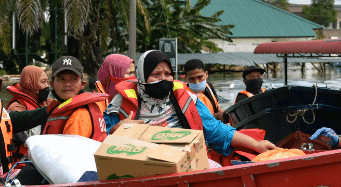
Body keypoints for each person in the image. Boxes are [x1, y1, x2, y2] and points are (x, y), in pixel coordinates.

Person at [104, 50, 276, 157]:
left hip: (188, 163)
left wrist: (255, 144)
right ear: (141, 76)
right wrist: (116, 131)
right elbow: (99, 144)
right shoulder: (120, 104)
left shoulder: (184, 97)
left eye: (167, 73)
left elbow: (215, 130)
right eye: (156, 74)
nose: (163, 79)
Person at [42, 56, 108, 141]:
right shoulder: (54, 107)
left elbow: (69, 152)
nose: (67, 84)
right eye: (61, 79)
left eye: (74, 79)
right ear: (52, 84)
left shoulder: (80, 115)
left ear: (83, 84)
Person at [6, 65, 51, 158]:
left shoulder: (47, 103)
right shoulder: (16, 107)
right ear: (30, 84)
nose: (47, 86)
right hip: (23, 163)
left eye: (47, 82)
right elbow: (31, 138)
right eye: (43, 82)